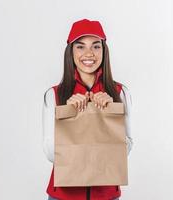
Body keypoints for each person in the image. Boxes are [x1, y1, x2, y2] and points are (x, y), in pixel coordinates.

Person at [42, 19, 133, 200]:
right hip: (63, 196)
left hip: (106, 195)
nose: (89, 53)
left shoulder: (119, 93)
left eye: (96, 46)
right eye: (80, 46)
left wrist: (109, 114)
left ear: (104, 50)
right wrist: (69, 116)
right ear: (71, 51)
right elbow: (51, 154)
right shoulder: (54, 95)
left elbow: (126, 149)